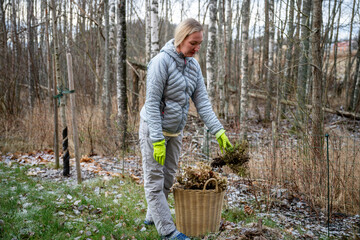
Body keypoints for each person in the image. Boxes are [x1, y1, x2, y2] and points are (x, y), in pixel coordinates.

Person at [139, 18, 232, 240]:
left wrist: (218, 130)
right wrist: (157, 139)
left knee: (168, 179)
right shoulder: (161, 62)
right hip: (154, 130)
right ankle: (168, 231)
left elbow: (202, 102)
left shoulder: (193, 66)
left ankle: (152, 217)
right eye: (193, 43)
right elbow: (151, 103)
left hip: (174, 133)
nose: (197, 48)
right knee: (154, 181)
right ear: (181, 39)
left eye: (200, 43)